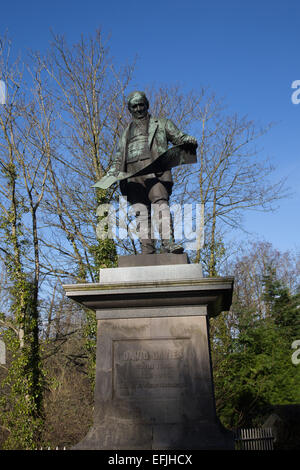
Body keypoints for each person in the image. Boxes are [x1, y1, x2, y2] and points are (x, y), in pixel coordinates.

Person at [107, 91, 197, 254]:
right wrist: (111, 174)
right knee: (141, 211)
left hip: (154, 171)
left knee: (161, 204)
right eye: (134, 106)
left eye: (141, 104)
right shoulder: (126, 131)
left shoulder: (161, 123)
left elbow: (178, 137)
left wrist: (187, 140)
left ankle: (167, 243)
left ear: (147, 105)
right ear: (130, 109)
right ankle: (147, 249)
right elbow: (119, 157)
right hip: (132, 175)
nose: (138, 109)